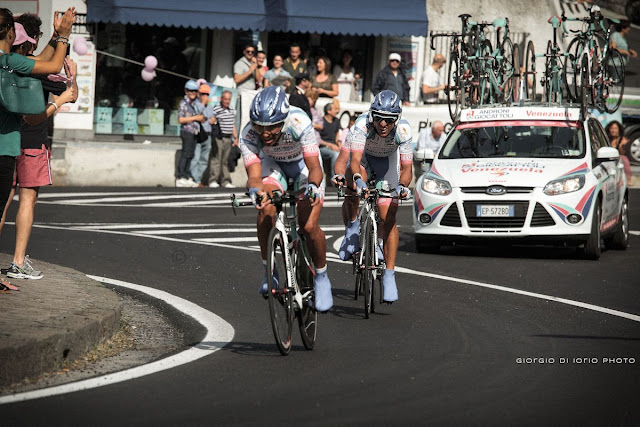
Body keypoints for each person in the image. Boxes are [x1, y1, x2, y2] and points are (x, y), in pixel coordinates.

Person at [0, 7, 76, 290]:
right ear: (11, 35)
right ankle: (18, 262)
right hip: (16, 144)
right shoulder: (11, 63)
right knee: (21, 202)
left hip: (11, 145)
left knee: (2, 206)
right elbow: (53, 67)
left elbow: (42, 60)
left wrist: (57, 35)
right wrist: (64, 37)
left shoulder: (10, 62)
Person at [238, 86, 333, 312]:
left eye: (271, 127)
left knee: (309, 225)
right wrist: (256, 191)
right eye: (259, 126)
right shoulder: (248, 133)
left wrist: (311, 187)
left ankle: (321, 277)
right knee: (266, 210)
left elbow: (314, 168)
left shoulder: (299, 121)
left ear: (283, 119)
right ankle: (270, 272)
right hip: (274, 166)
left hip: (303, 166)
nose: (264, 133)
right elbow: (254, 176)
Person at [340, 90, 413, 303]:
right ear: (373, 115)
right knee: (353, 182)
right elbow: (354, 160)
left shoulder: (404, 130)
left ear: (396, 120)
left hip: (387, 166)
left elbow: (407, 168)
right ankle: (353, 227)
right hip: (364, 161)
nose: (383, 124)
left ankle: (389, 274)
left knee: (388, 216)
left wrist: (402, 186)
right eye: (379, 118)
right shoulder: (362, 125)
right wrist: (358, 180)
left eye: (389, 120)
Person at [177, 79, 205, 187]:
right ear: (186, 91)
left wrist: (200, 118)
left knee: (191, 154)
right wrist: (195, 118)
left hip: (195, 131)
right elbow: (181, 119)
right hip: (187, 131)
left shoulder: (195, 104)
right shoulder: (183, 103)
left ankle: (187, 175)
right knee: (186, 153)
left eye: (194, 91)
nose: (192, 93)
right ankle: (180, 176)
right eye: (190, 91)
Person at [208, 90, 237, 188]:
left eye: (229, 99)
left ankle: (225, 180)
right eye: (225, 99)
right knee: (216, 158)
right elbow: (210, 120)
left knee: (225, 160)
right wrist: (213, 121)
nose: (227, 101)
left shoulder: (232, 110)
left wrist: (235, 137)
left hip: (228, 137)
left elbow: (232, 124)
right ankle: (213, 180)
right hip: (219, 137)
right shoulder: (216, 109)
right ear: (221, 99)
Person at [190, 83, 213, 186]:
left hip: (208, 134)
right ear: (199, 94)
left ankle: (198, 179)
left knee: (204, 159)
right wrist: (203, 104)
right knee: (196, 158)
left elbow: (209, 118)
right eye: (203, 94)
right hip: (198, 134)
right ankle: (194, 179)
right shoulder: (196, 104)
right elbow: (199, 115)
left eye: (207, 94)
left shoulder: (211, 106)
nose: (205, 96)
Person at [318, 102, 341, 176]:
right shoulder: (321, 122)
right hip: (323, 147)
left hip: (334, 146)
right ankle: (334, 178)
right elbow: (317, 139)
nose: (336, 111)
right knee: (335, 154)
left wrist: (339, 143)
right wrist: (330, 145)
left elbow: (337, 133)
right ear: (329, 111)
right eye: (334, 109)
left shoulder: (336, 121)